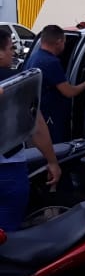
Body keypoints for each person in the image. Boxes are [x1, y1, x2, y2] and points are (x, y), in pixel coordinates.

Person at [0, 29, 61, 232]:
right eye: (10, 48)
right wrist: (52, 161)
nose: (13, 53)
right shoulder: (18, 82)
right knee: (8, 235)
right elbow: (37, 127)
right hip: (9, 171)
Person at [24, 24, 85, 144]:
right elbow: (68, 92)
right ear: (59, 42)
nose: (64, 46)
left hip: (38, 115)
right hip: (51, 117)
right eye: (64, 42)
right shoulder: (51, 62)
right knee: (57, 149)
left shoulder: (34, 57)